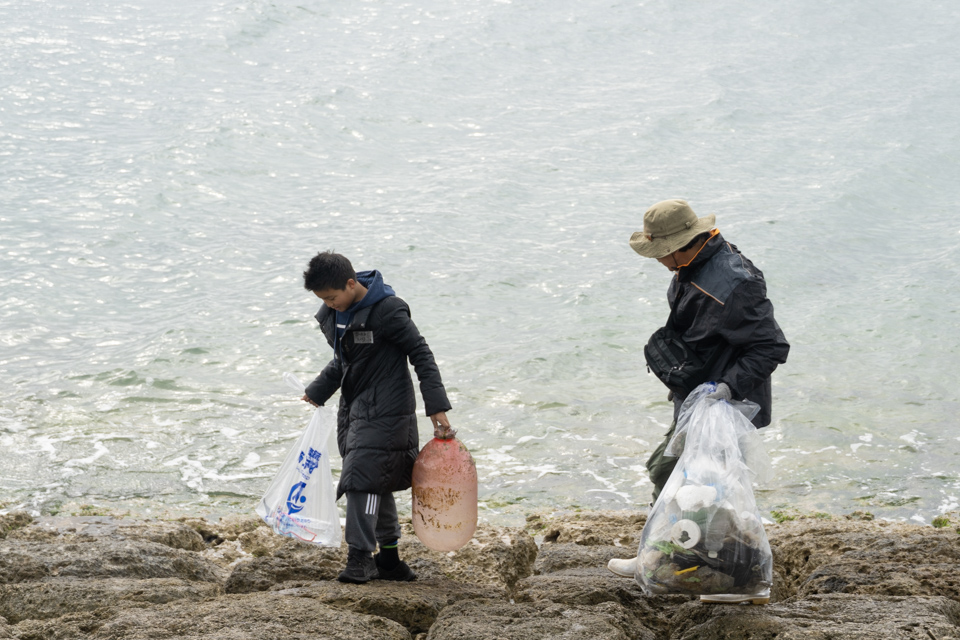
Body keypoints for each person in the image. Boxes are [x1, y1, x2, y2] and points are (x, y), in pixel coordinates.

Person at [607, 199, 789, 579]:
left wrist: (724, 389)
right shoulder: (696, 265)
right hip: (698, 397)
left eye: (661, 253)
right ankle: (693, 565)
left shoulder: (735, 283)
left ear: (683, 244)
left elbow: (771, 347)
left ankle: (679, 565)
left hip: (725, 406)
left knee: (676, 476)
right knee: (700, 488)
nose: (658, 261)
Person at [301, 251, 454, 584]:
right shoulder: (333, 314)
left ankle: (359, 558)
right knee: (375, 480)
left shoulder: (388, 311)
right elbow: (346, 361)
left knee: (362, 480)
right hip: (354, 408)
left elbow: (421, 354)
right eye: (323, 300)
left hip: (389, 409)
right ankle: (389, 559)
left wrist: (436, 407)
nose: (330, 304)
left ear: (351, 283)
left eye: (332, 297)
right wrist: (318, 391)